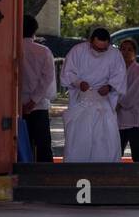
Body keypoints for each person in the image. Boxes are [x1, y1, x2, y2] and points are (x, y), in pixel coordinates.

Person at [61, 28, 126, 163]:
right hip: (82, 99)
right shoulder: (78, 51)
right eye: (97, 48)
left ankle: (106, 169)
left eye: (103, 49)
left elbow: (120, 76)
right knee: (79, 137)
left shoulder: (114, 54)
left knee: (105, 137)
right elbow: (68, 73)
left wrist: (109, 86)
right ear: (90, 42)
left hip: (103, 100)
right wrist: (79, 83)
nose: (99, 52)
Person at [20, 15, 57, 163]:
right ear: (35, 30)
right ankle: (46, 178)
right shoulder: (43, 51)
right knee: (43, 146)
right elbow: (47, 79)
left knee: (22, 144)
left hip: (17, 105)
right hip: (39, 104)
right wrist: (34, 101)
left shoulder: (10, 48)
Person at [116, 38, 139, 162]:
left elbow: (135, 93)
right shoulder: (114, 71)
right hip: (118, 117)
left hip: (136, 117)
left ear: (135, 53)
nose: (126, 52)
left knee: (138, 153)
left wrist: (119, 104)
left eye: (129, 50)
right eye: (123, 49)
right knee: (115, 151)